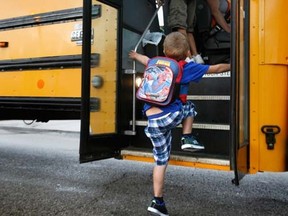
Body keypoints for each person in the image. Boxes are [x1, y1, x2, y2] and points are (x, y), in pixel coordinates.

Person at [129, 31, 230, 216]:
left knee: (160, 161)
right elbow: (215, 69)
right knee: (189, 106)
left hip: (152, 122)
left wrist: (135, 55)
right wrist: (233, 65)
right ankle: (187, 137)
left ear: (165, 50)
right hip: (171, 115)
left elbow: (144, 60)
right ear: (186, 53)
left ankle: (157, 201)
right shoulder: (185, 67)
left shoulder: (154, 62)